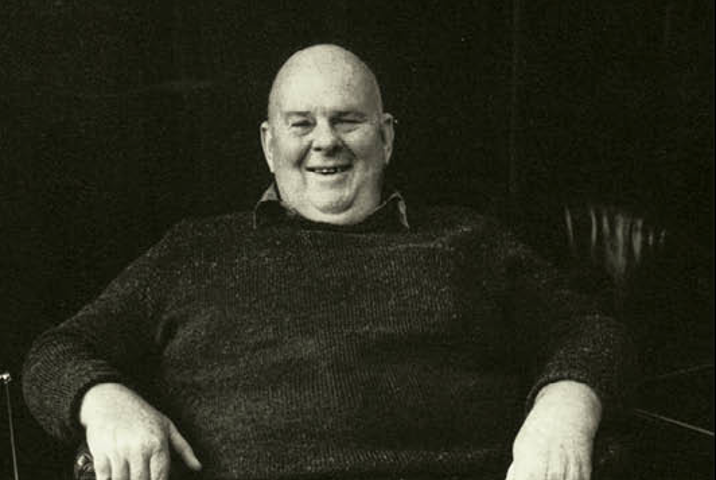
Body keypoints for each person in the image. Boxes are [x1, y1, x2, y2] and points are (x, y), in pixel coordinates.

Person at [23, 44, 631, 480]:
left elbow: (591, 331)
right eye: (301, 124)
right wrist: (105, 402)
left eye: (348, 120)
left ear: (386, 137)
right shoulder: (195, 251)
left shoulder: (468, 240)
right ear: (270, 144)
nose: (325, 141)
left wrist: (566, 408)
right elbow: (56, 351)